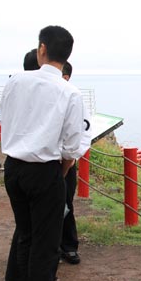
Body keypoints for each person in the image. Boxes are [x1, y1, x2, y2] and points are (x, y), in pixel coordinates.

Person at [0, 25, 85, 281]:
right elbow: (72, 146)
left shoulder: (15, 82)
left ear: (42, 49)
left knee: (26, 236)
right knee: (46, 244)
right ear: (67, 55)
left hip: (13, 167)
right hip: (45, 171)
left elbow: (4, 119)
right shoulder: (69, 92)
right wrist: (59, 174)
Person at [3, 48, 41, 281]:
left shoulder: (12, 88)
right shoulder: (48, 94)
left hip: (13, 163)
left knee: (24, 229)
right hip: (39, 168)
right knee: (39, 234)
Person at [59, 61, 85, 265]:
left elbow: (80, 133)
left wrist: (66, 166)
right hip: (46, 161)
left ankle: (68, 247)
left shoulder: (72, 97)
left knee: (66, 203)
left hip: (64, 160)